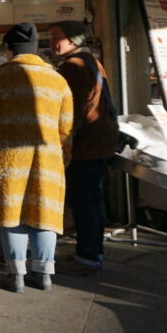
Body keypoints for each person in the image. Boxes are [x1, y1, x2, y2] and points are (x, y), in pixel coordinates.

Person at [0, 23, 74, 293]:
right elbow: (66, 127)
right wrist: (64, 155)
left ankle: (16, 276)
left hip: (6, 158)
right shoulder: (58, 80)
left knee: (11, 214)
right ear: (36, 50)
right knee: (43, 214)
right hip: (47, 157)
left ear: (8, 50)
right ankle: (44, 274)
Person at [48, 21, 120, 276]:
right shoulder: (90, 61)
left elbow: (71, 112)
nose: (52, 41)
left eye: (57, 36)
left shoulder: (73, 67)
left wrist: (62, 144)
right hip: (101, 141)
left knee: (83, 202)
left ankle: (87, 259)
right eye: (51, 36)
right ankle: (92, 252)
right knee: (93, 199)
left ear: (73, 40)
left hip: (85, 145)